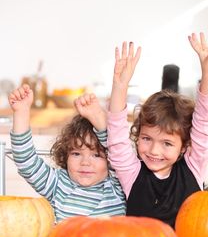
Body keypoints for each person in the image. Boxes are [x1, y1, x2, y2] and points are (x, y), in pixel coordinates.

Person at [107, 33, 208, 228]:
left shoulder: (193, 166)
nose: (154, 151)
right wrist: (120, 85)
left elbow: (203, 122)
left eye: (167, 143)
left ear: (184, 146)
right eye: (147, 138)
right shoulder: (132, 173)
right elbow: (116, 135)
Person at [8, 87, 126, 222]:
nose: (85, 162)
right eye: (76, 153)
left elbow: (117, 151)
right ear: (66, 155)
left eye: (96, 155)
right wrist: (21, 112)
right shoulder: (57, 184)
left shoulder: (117, 186)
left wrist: (99, 120)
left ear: (109, 159)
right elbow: (26, 161)